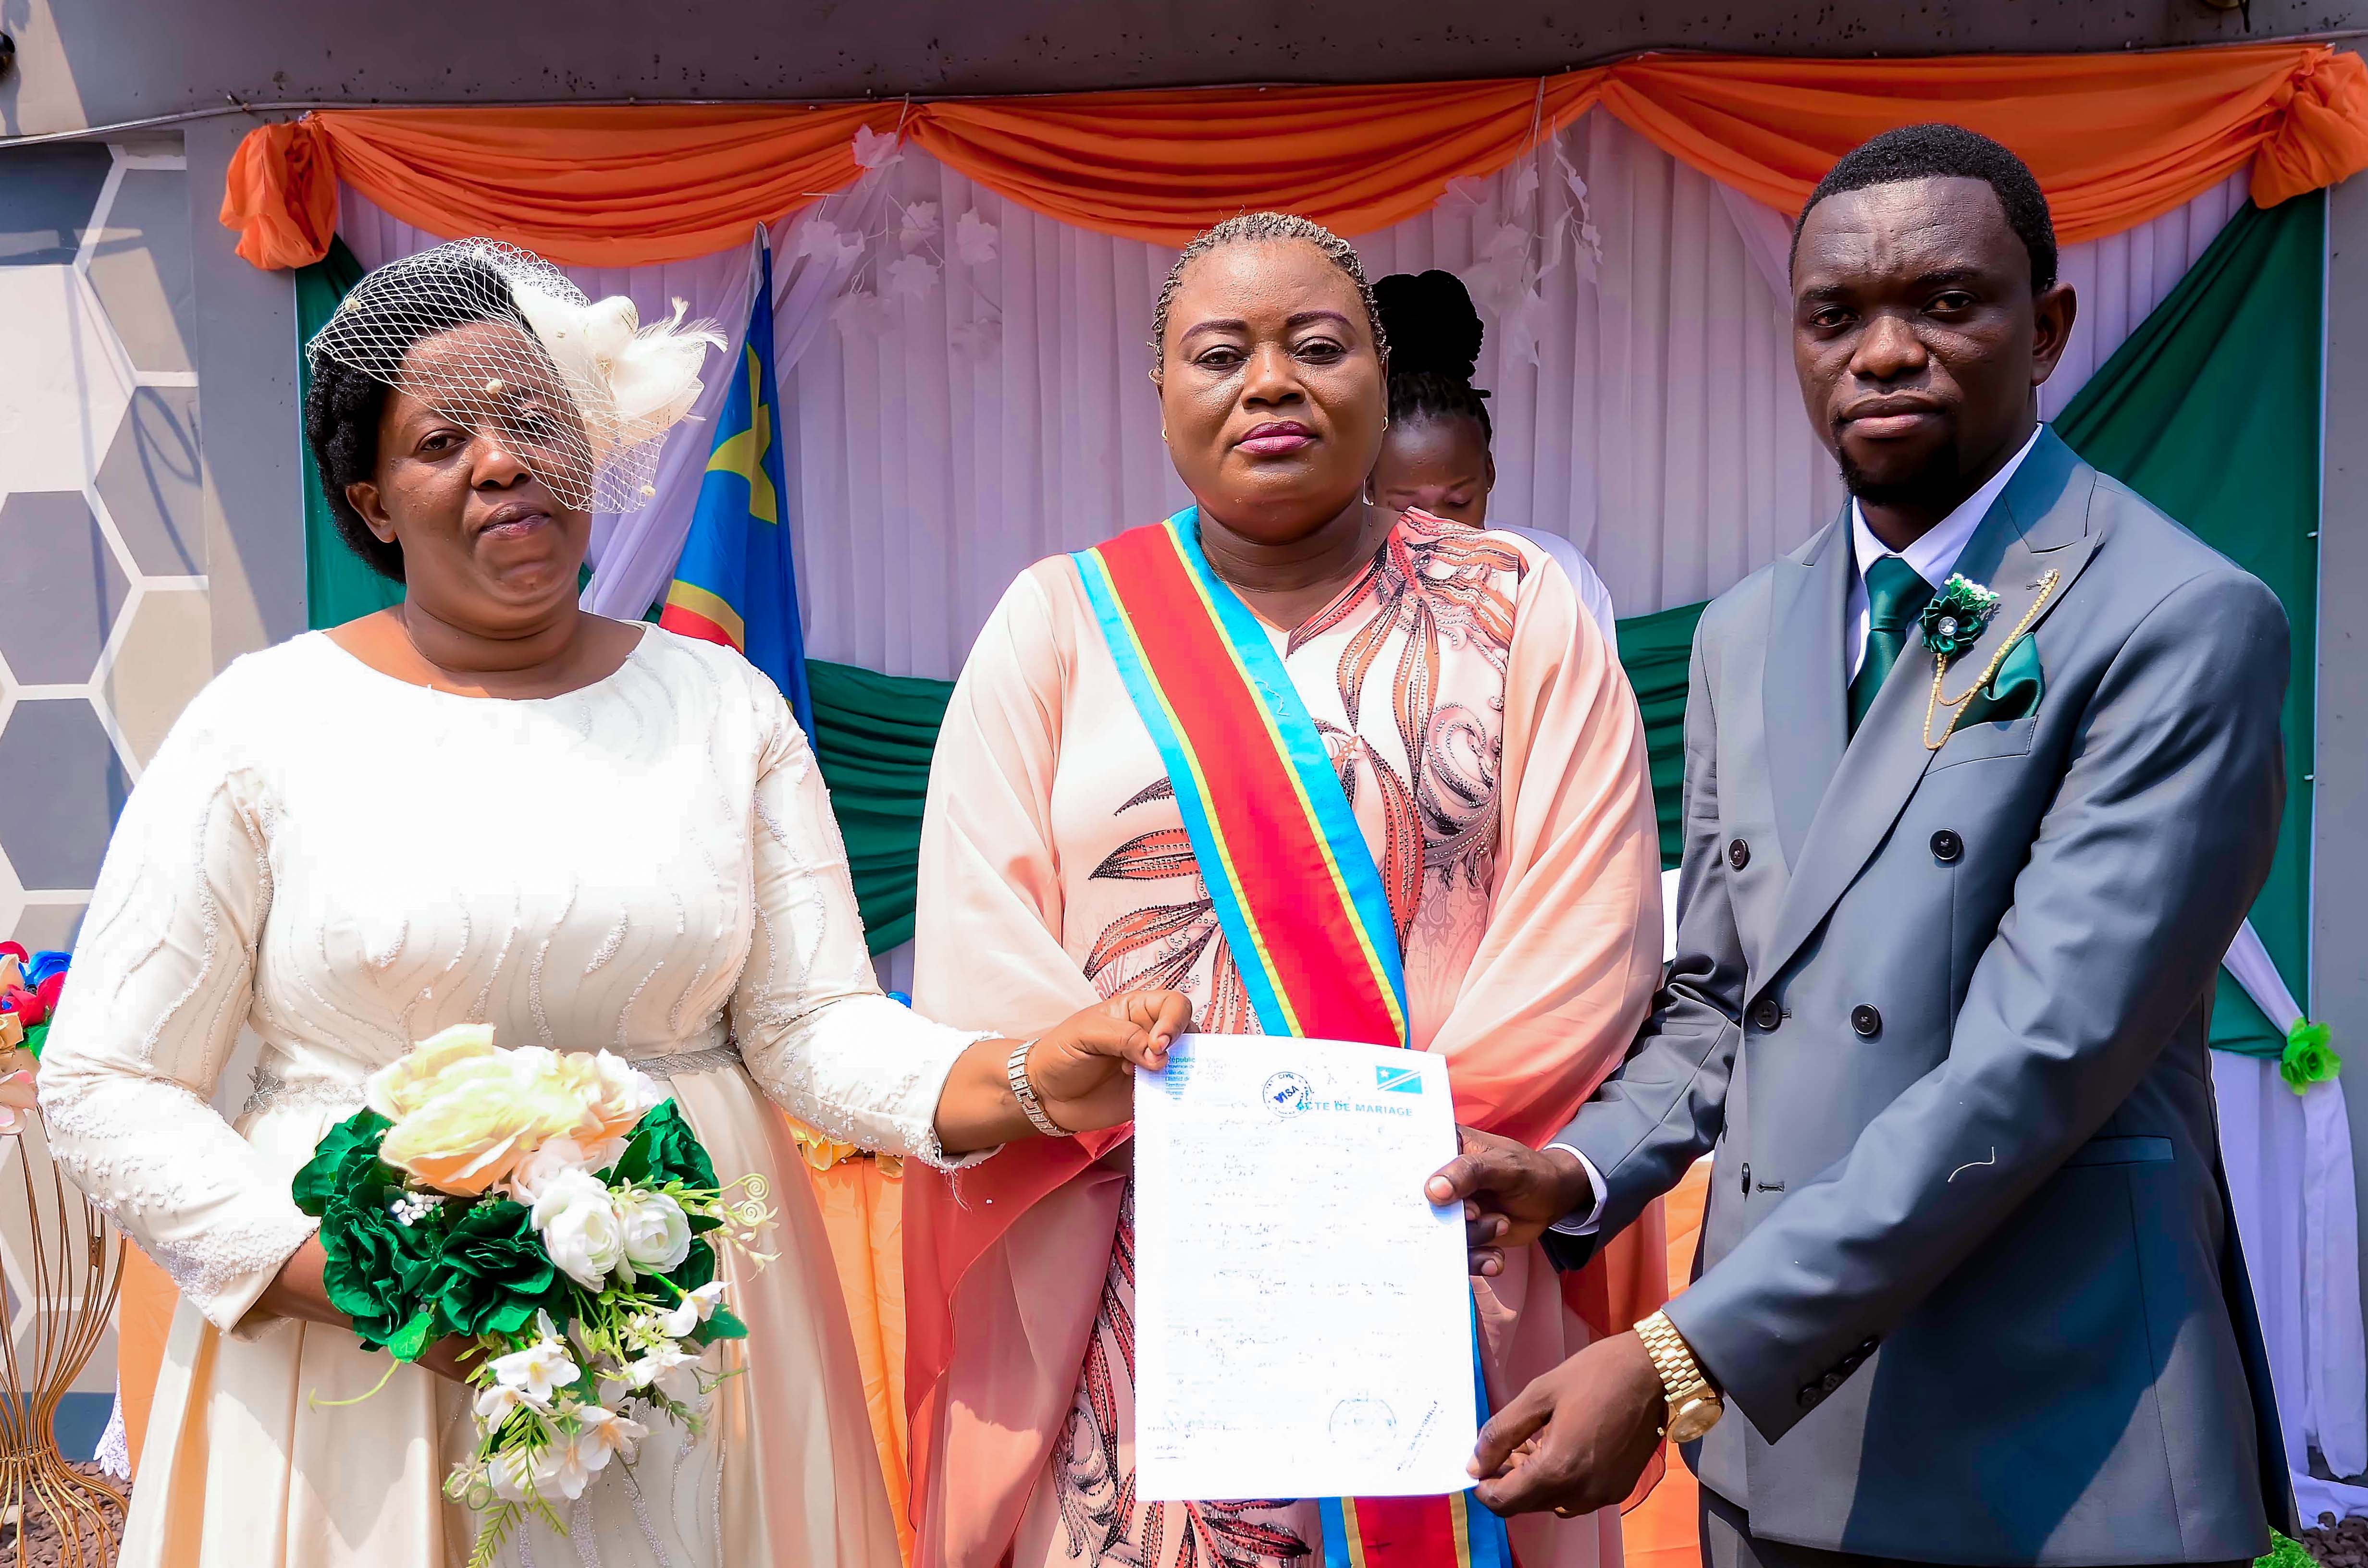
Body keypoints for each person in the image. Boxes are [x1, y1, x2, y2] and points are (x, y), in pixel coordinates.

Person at [36, 238, 1189, 1568]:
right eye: (442, 442)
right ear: (371, 501)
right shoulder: (261, 725)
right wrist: (343, 1280)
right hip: (359, 1366)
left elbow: (811, 1025)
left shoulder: (723, 706)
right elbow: (109, 1080)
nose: (502, 461)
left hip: (694, 1334)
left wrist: (1030, 1076)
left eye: (535, 420)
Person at [1429, 125, 2294, 1567]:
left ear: (2047, 327)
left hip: (2056, 1429)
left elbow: (2038, 1058)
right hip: (1780, 1452)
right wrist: (1577, 1170)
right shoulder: (1745, 629)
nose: (1884, 353)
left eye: (1945, 303)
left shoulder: (2176, 618)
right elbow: (1723, 995)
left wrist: (1680, 1353)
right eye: (1836, 315)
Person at [903, 211, 1667, 1568]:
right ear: (1161, 394)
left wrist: (1370, 1177)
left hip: (1440, 1237)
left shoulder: (1521, 607)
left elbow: (1590, 933)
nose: (1271, 383)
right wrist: (1117, 1099)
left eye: (1317, 346)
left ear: (1377, 371)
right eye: (1221, 354)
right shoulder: (1057, 623)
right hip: (1143, 1270)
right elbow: (981, 942)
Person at [1369, 269, 1619, 640]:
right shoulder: (1332, 589)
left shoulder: (1552, 572)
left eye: (1458, 502)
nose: (1438, 530)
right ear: (1368, 486)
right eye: (1407, 509)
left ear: (1489, 472)